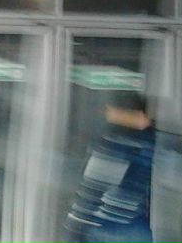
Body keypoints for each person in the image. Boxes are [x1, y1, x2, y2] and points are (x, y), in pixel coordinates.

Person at [66, 91, 156, 243]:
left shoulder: (113, 141)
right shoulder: (152, 143)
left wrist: (74, 231)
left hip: (108, 228)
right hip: (137, 229)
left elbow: (92, 191)